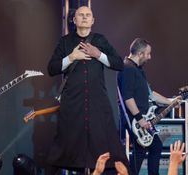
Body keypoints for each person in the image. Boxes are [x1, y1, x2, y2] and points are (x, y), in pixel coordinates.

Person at [47, 6, 130, 174]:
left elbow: (119, 64)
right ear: (74, 20)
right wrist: (71, 57)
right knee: (66, 145)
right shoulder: (65, 41)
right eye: (81, 15)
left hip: (97, 102)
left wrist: (98, 54)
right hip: (73, 102)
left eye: (88, 15)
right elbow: (52, 68)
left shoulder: (100, 40)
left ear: (93, 21)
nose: (84, 17)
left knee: (103, 142)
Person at [117, 38, 180, 175]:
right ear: (140, 54)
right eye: (148, 54)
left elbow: (151, 95)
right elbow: (128, 98)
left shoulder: (138, 70)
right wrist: (140, 119)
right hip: (135, 121)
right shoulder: (127, 68)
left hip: (143, 119)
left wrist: (171, 102)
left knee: (155, 146)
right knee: (140, 152)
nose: (149, 57)